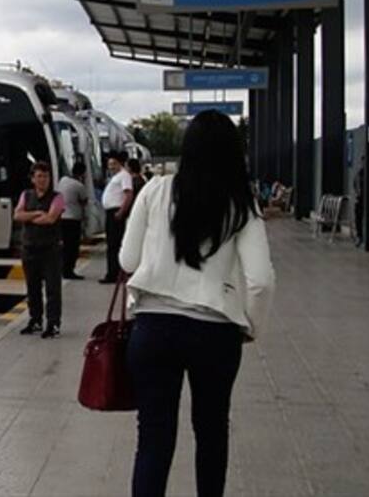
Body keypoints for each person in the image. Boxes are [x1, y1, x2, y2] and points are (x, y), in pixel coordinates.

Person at [120, 111, 275, 497]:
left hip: (154, 329)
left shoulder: (155, 190)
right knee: (211, 433)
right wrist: (249, 327)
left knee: (153, 439)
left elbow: (127, 259)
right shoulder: (242, 203)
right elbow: (260, 280)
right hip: (215, 332)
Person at [14, 161, 65, 338]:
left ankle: (53, 323)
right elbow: (17, 215)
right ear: (33, 179)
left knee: (53, 288)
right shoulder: (26, 195)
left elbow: (50, 218)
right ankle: (35, 320)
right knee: (32, 287)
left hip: (50, 250)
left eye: (46, 176)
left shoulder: (57, 197)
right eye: (39, 176)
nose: (43, 180)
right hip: (29, 249)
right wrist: (36, 214)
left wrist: (28, 216)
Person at [100, 152, 134, 284]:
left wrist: (121, 211)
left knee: (114, 244)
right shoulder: (116, 177)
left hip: (116, 212)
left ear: (120, 163)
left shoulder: (124, 176)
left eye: (114, 164)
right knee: (111, 244)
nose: (111, 167)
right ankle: (113, 272)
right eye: (109, 164)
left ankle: (113, 274)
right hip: (111, 212)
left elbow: (128, 194)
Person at [56, 160, 89, 280]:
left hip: (61, 217)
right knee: (72, 246)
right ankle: (69, 270)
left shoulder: (63, 180)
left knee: (64, 245)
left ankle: (62, 269)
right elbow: (84, 201)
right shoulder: (79, 186)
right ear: (83, 173)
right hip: (73, 219)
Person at [353, 159, 365, 246]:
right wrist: (358, 193)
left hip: (365, 198)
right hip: (360, 198)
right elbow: (355, 184)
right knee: (358, 217)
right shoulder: (359, 174)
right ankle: (359, 236)